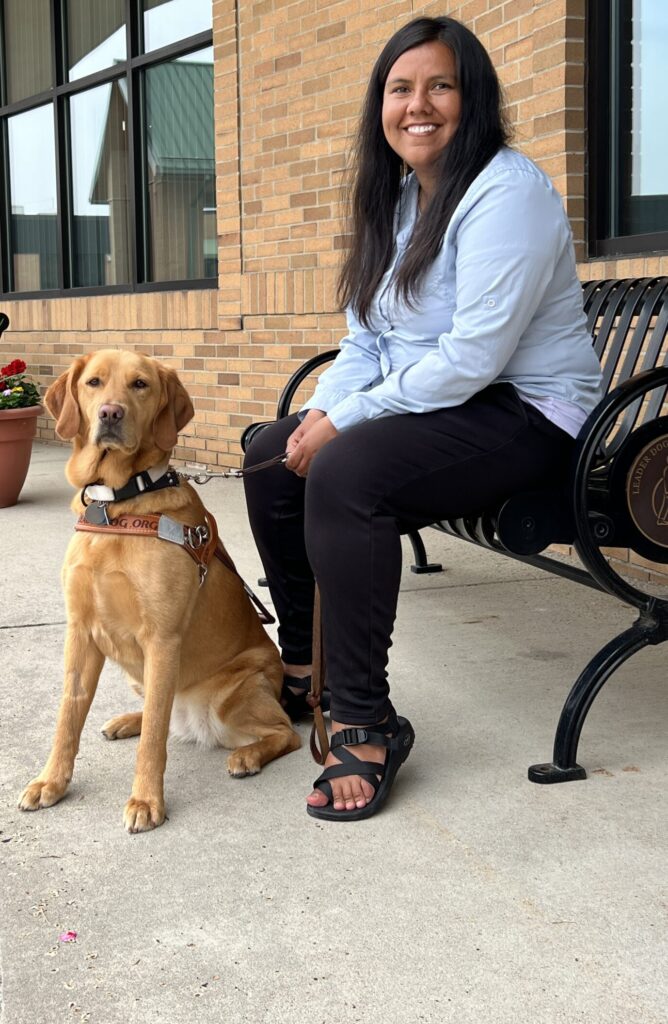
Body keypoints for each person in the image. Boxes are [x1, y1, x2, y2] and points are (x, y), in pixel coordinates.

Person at [243, 15, 603, 822]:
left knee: (346, 470)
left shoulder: (507, 193)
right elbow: (366, 338)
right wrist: (326, 408)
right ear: (381, 104)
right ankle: (305, 672)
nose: (419, 105)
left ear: (471, 99)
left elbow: (474, 358)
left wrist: (347, 425)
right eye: (400, 88)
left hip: (535, 417)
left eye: (440, 85)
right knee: (274, 454)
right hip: (457, 406)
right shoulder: (403, 196)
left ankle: (367, 722)